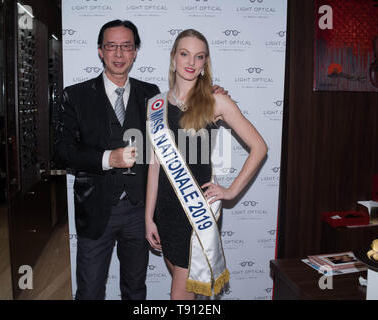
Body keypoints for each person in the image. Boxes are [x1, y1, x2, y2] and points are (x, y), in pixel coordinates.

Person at [55, 20, 227, 300]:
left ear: (136, 52)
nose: (119, 54)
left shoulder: (152, 96)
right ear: (100, 51)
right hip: (96, 210)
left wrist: (213, 97)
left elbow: (184, 123)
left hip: (140, 213)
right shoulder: (75, 96)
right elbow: (62, 152)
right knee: (89, 291)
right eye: (112, 46)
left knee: (135, 290)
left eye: (127, 46)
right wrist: (107, 158)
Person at [145, 29, 268, 300]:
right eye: (185, 54)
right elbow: (155, 165)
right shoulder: (156, 104)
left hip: (195, 213)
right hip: (165, 212)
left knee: (180, 296)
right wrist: (148, 216)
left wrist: (231, 191)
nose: (191, 62)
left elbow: (259, 147)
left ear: (205, 63)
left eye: (199, 57)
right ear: (173, 58)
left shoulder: (216, 101)